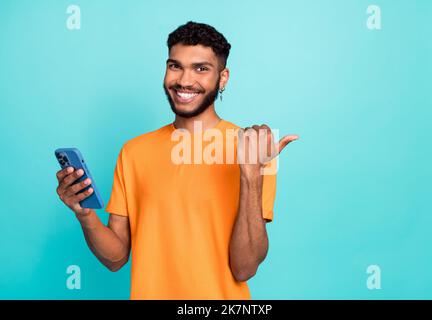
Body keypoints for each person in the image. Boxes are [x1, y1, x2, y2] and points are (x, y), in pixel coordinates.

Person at [55, 21, 298, 299]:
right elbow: (116, 258)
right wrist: (84, 214)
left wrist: (250, 173)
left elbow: (244, 268)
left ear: (223, 78)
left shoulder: (254, 148)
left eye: (201, 68)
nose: (184, 80)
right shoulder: (133, 152)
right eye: (175, 66)